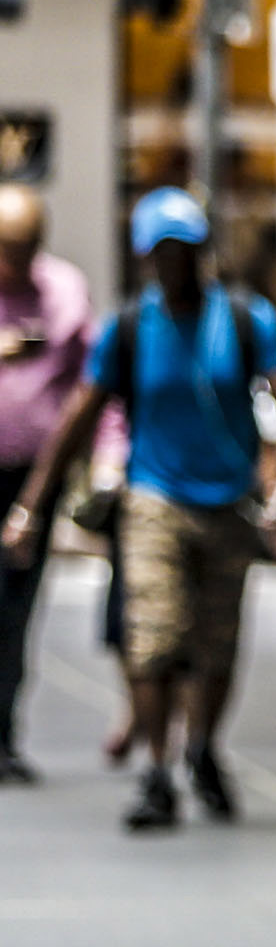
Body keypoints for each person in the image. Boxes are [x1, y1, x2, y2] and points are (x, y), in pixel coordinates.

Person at [4, 187, 276, 833]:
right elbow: (79, 417)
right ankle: (158, 769)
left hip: (228, 502)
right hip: (153, 500)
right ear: (146, 259)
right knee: (154, 640)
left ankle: (201, 749)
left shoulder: (248, 321)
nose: (176, 265)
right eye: (163, 253)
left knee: (216, 646)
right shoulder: (131, 327)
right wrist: (32, 505)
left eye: (186, 251)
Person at [0, 187, 96, 785]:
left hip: (33, 476)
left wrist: (104, 460)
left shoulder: (62, 290)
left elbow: (94, 384)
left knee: (14, 609)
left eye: (27, 247)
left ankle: (3, 732)